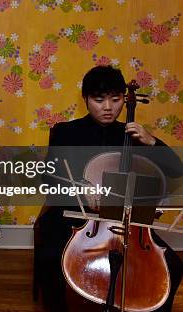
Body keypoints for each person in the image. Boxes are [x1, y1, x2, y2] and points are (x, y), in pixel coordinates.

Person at [34, 65, 183, 312]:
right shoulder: (66, 133)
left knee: (173, 267)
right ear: (86, 99)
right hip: (74, 218)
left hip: (126, 222)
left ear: (125, 100)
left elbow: (176, 170)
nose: (107, 107)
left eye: (115, 100)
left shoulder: (132, 135)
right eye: (99, 99)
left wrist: (151, 141)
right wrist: (80, 189)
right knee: (49, 259)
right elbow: (49, 179)